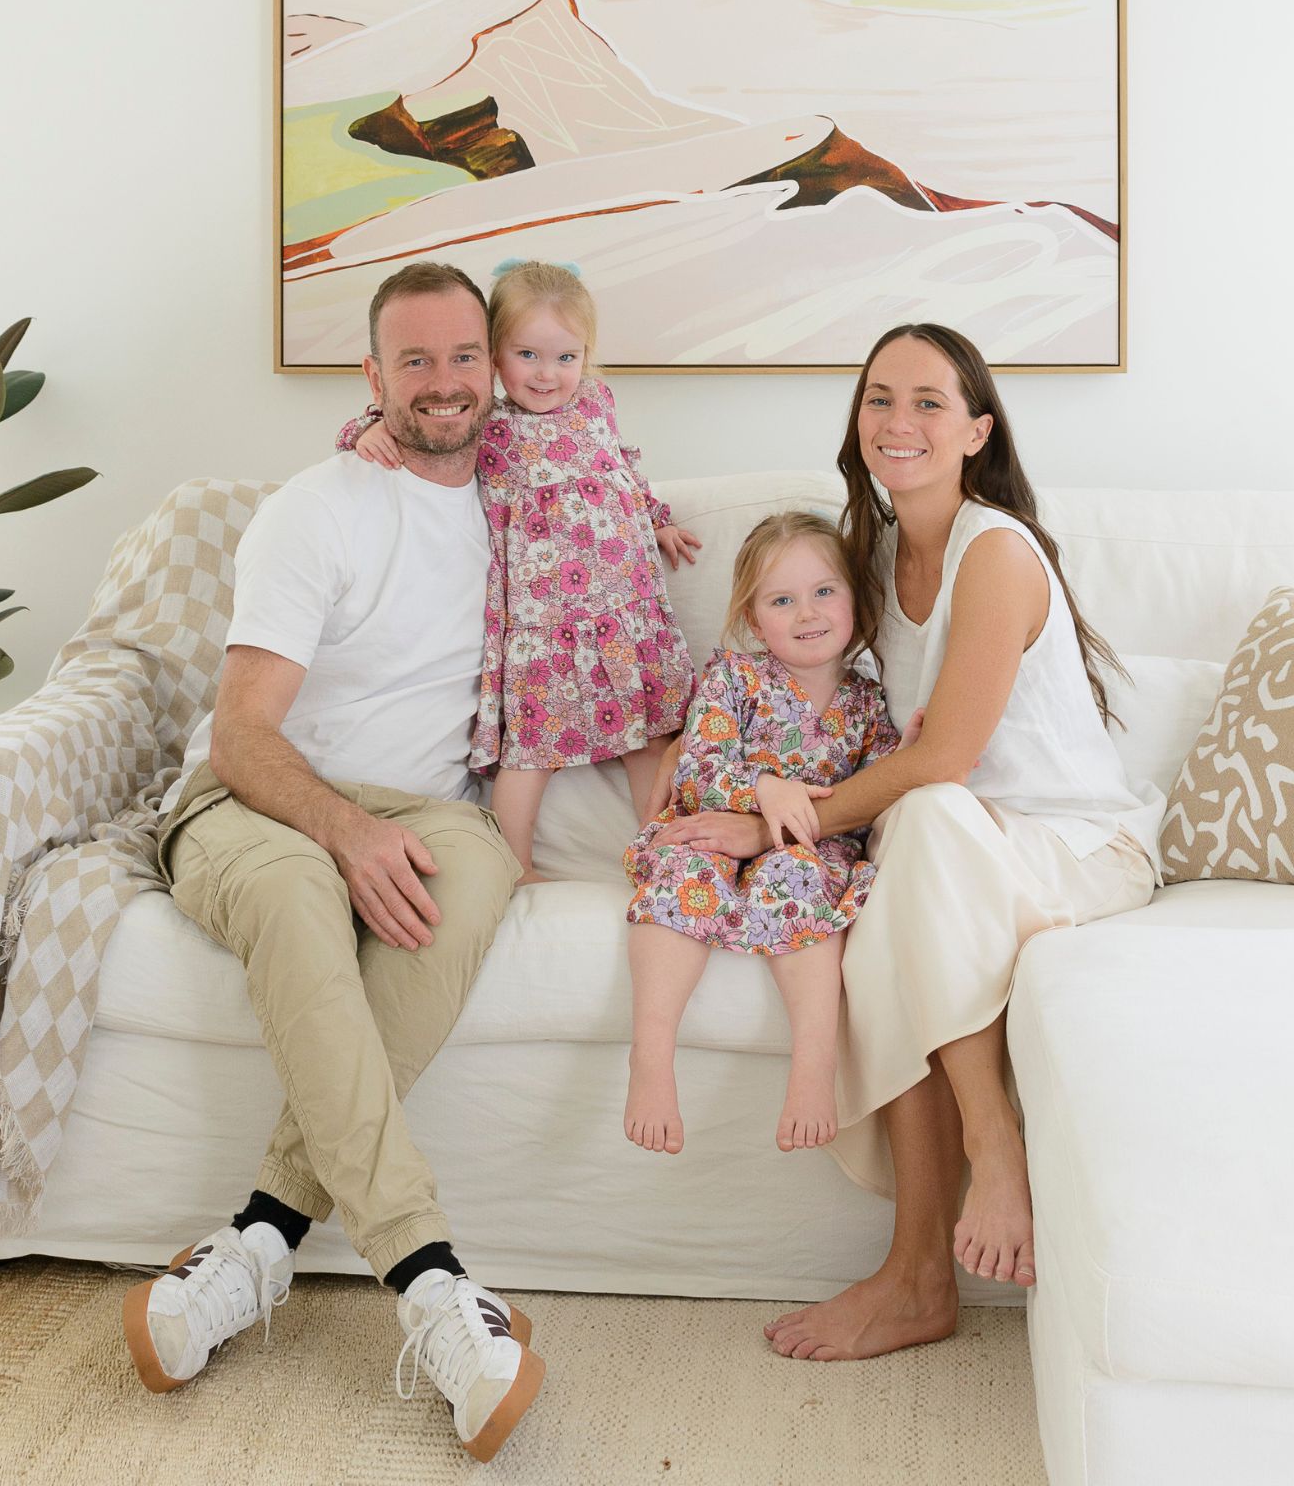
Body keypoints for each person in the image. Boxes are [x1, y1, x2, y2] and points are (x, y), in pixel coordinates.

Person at [657, 324, 1162, 1362]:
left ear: (978, 430)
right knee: (889, 893)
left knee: (921, 823)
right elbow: (795, 689)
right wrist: (735, 779)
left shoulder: (996, 553)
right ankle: (919, 1274)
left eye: (930, 402)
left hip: (1073, 849)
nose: (899, 422)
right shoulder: (871, 564)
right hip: (956, 853)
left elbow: (947, 758)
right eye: (880, 398)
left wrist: (776, 822)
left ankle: (990, 1150)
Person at [125, 262, 544, 1463]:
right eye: (413, 361)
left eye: (465, 355)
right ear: (372, 377)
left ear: (499, 368)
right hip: (253, 795)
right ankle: (426, 1275)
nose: (444, 383)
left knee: (478, 877)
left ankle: (258, 1241)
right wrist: (344, 831)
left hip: (425, 803)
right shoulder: (320, 505)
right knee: (302, 890)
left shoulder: (533, 507)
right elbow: (247, 730)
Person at [345, 260, 701, 883]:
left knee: (653, 736)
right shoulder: (490, 426)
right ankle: (514, 863)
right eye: (528, 354)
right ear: (494, 358)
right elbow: (414, 426)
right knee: (531, 752)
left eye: (566, 357)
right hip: (545, 625)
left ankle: (662, 845)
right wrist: (365, 430)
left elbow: (622, 467)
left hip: (626, 608)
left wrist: (658, 518)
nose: (547, 373)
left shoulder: (597, 403)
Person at [621, 513, 905, 1157]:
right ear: (755, 621)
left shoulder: (867, 704)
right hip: (713, 830)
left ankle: (813, 1063)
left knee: (796, 877)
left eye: (824, 591)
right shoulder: (732, 679)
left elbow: (874, 795)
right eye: (783, 600)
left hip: (809, 851)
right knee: (684, 874)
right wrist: (763, 788)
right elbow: (697, 764)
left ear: (857, 600)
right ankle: (652, 1054)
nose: (807, 612)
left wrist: (906, 754)